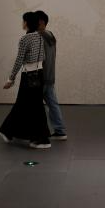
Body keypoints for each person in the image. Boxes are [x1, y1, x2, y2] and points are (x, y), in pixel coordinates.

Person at [0, 11, 51, 149]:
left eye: (23, 20)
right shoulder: (40, 37)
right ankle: (13, 133)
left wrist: (11, 79)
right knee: (33, 106)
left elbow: (19, 60)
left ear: (27, 22)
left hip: (28, 76)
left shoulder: (25, 39)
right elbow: (43, 57)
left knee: (25, 105)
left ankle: (37, 139)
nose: (22, 23)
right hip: (39, 75)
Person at [35, 10, 68, 141]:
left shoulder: (39, 37)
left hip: (40, 77)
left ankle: (35, 133)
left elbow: (39, 58)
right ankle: (60, 131)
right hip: (50, 76)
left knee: (30, 106)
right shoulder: (50, 35)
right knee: (53, 105)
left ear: (41, 22)